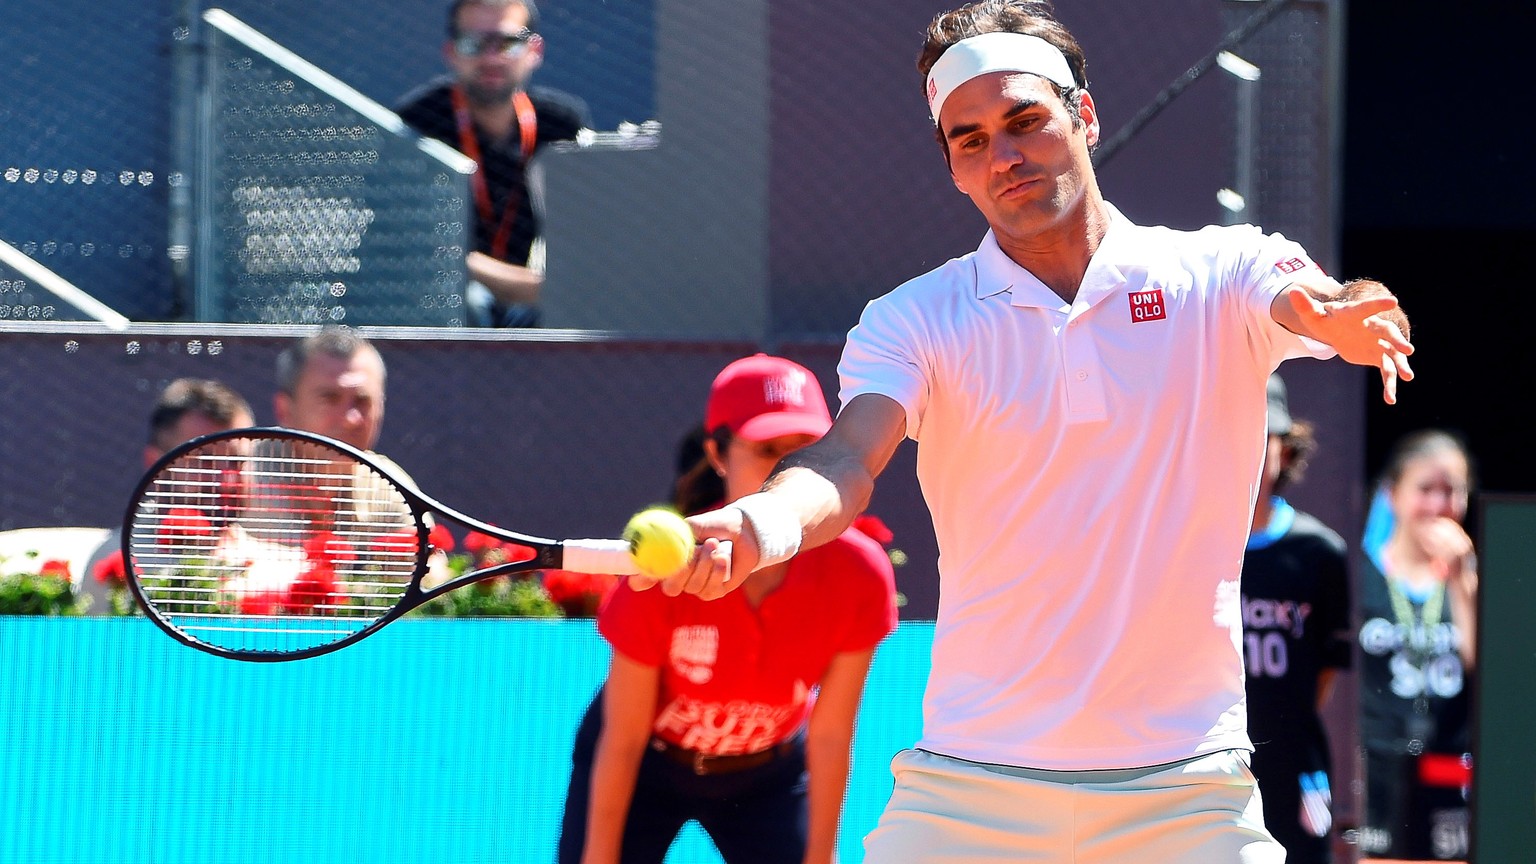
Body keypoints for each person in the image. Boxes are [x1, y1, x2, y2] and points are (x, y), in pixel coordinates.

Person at [641, 2, 1415, 860]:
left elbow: (1309, 297)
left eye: (1025, 119)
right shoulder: (913, 321)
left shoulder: (1219, 271)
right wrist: (761, 523)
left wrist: (1340, 311)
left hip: (1186, 792)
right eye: (969, 139)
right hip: (970, 791)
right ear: (953, 171)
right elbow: (847, 457)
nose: (1004, 154)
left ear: (1083, 114)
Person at [557, 354, 898, 864]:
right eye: (766, 449)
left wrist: (821, 856)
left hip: (769, 777)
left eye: (804, 448)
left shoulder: (861, 573)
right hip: (649, 764)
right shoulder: (663, 573)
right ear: (718, 453)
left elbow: (828, 737)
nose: (787, 466)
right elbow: (624, 737)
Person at [395, 0, 591, 328]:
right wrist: (534, 288)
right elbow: (423, 253)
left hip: (534, 301)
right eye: (474, 43)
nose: (491, 58)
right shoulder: (418, 123)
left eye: (508, 43)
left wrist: (549, 290)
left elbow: (591, 243)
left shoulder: (562, 125)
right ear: (451, 52)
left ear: (535, 50)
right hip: (454, 302)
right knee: (464, 300)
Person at [1241, 373, 1352, 864]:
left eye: (1261, 433)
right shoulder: (1187, 544)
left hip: (1294, 758)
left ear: (1285, 448)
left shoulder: (1320, 551)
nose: (1246, 448)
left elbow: (1327, 665)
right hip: (1206, 759)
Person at [1356, 430, 1476, 861]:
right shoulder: (1362, 571)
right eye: (1425, 489)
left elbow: (1493, 670)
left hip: (1448, 769)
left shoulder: (1473, 579)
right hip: (1376, 770)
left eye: (1451, 491)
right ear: (1393, 494)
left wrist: (1463, 579)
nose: (1438, 505)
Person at [85, 378, 256, 610]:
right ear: (155, 464)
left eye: (237, 461)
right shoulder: (113, 564)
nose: (224, 479)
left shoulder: (278, 568)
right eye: (205, 461)